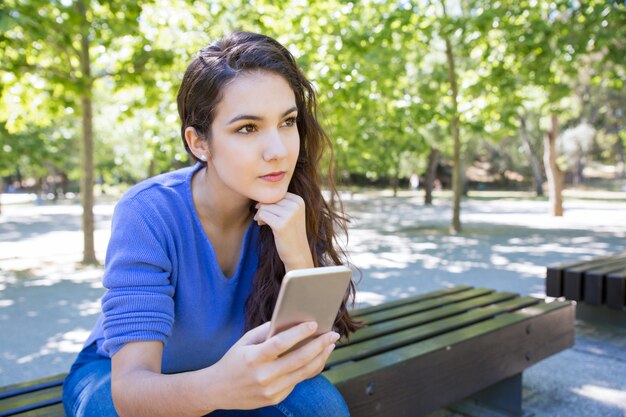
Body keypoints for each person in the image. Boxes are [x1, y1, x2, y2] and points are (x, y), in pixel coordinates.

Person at [62, 31, 360, 417]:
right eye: (247, 128)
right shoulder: (148, 213)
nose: (279, 151)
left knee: (322, 407)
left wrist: (297, 254)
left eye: (287, 122)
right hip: (121, 377)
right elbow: (131, 390)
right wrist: (219, 387)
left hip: (232, 367)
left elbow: (307, 356)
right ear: (199, 143)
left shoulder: (291, 204)